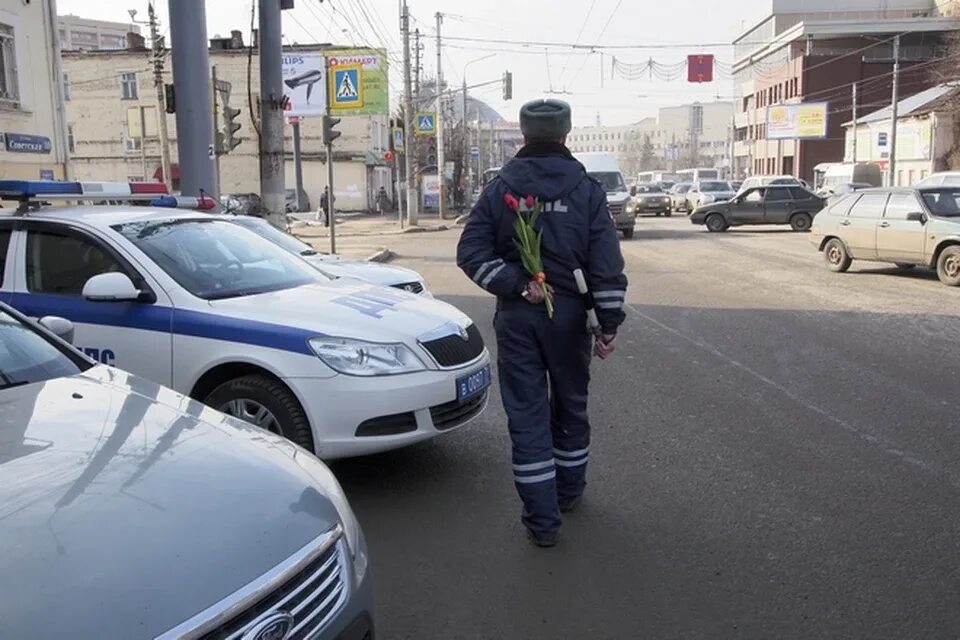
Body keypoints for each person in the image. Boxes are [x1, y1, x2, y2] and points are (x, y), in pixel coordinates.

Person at [456, 98, 628, 547]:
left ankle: (543, 523)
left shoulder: (499, 190)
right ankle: (568, 494)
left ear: (525, 137)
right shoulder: (587, 191)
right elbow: (606, 264)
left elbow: (470, 253)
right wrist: (608, 323)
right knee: (570, 406)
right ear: (566, 135)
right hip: (569, 319)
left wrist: (517, 284)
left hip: (518, 320)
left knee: (528, 417)